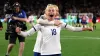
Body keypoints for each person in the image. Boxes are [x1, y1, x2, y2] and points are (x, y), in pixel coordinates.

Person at [16, 5, 93, 56]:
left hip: (57, 52)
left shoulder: (59, 23)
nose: (51, 12)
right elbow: (27, 34)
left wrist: (85, 28)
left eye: (53, 10)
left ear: (56, 13)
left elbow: (73, 29)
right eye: (49, 10)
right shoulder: (41, 23)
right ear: (45, 12)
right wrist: (19, 32)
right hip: (44, 53)